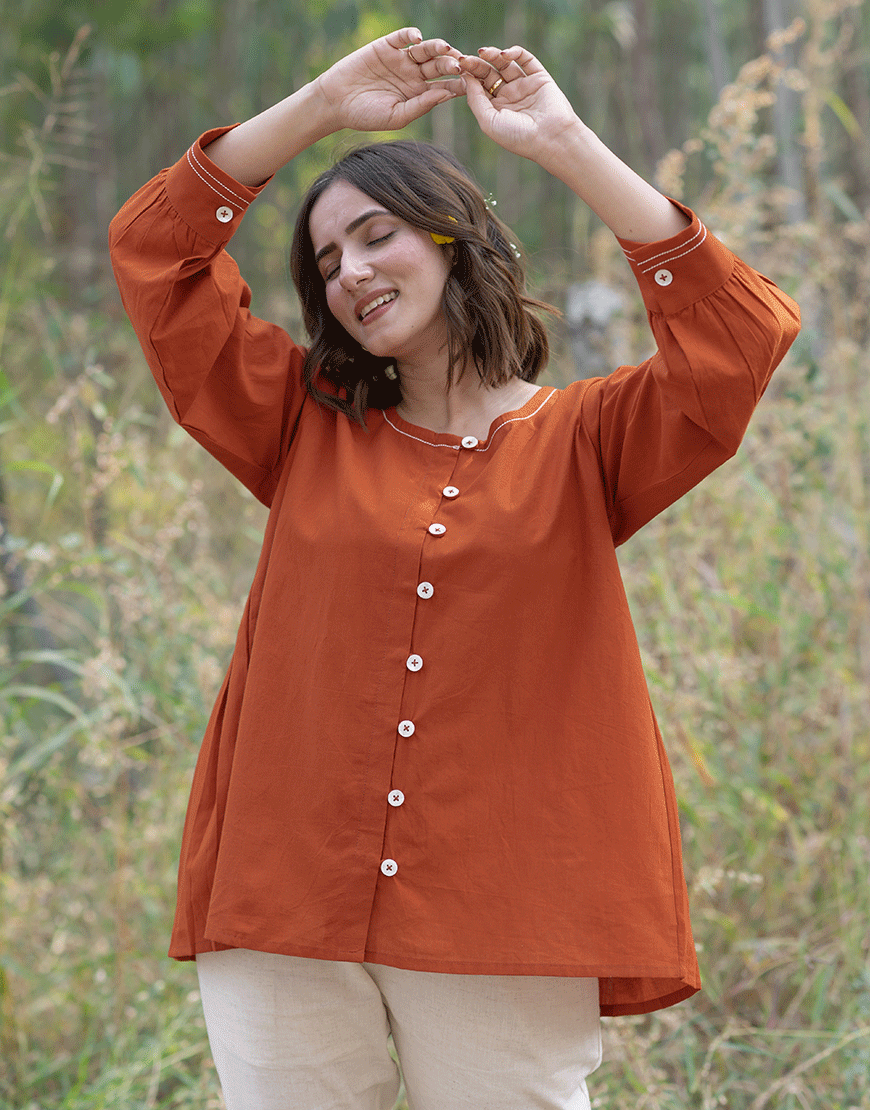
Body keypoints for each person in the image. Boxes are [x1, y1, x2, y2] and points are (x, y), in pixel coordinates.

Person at [109, 27, 800, 1110]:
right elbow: (158, 256)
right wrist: (323, 105)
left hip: (507, 914)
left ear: (452, 238)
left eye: (376, 235)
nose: (350, 274)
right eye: (326, 262)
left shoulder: (589, 442)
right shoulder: (297, 424)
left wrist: (566, 143)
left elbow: (738, 339)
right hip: (285, 892)